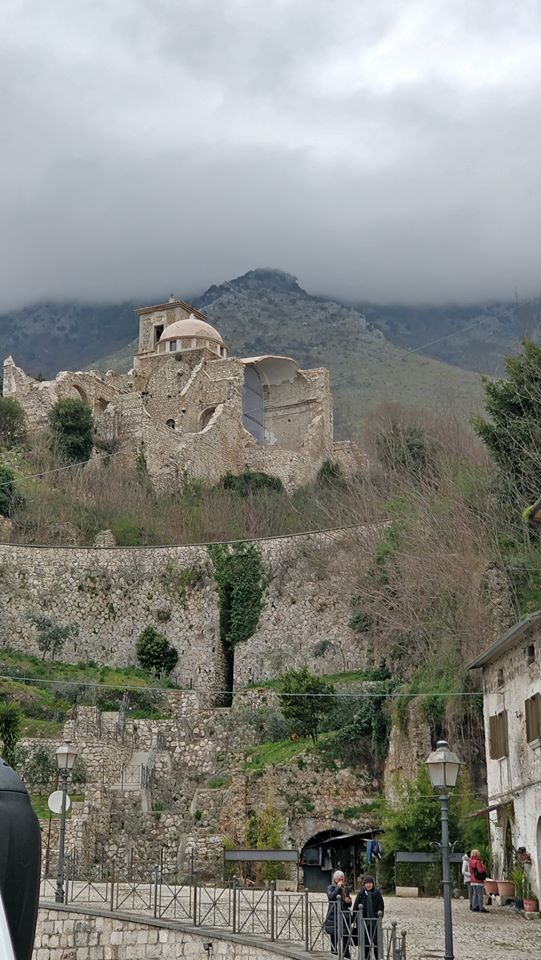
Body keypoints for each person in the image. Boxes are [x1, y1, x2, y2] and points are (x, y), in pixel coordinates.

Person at [352, 874, 385, 959]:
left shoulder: (377, 894)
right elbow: (355, 908)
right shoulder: (361, 894)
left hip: (374, 923)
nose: (368, 885)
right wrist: (355, 920)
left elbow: (381, 906)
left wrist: (379, 917)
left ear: (373, 884)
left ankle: (378, 958)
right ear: (364, 884)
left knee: (376, 942)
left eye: (370, 883)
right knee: (365, 943)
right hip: (363, 923)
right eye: (366, 883)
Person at [325, 870, 352, 957]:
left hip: (344, 915)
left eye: (342, 879)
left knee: (345, 936)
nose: (341, 881)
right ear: (335, 879)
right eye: (339, 879)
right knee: (334, 937)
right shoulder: (330, 887)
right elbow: (331, 897)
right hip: (333, 915)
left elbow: (348, 904)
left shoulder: (345, 888)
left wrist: (348, 901)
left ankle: (346, 955)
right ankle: (333, 955)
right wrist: (338, 888)